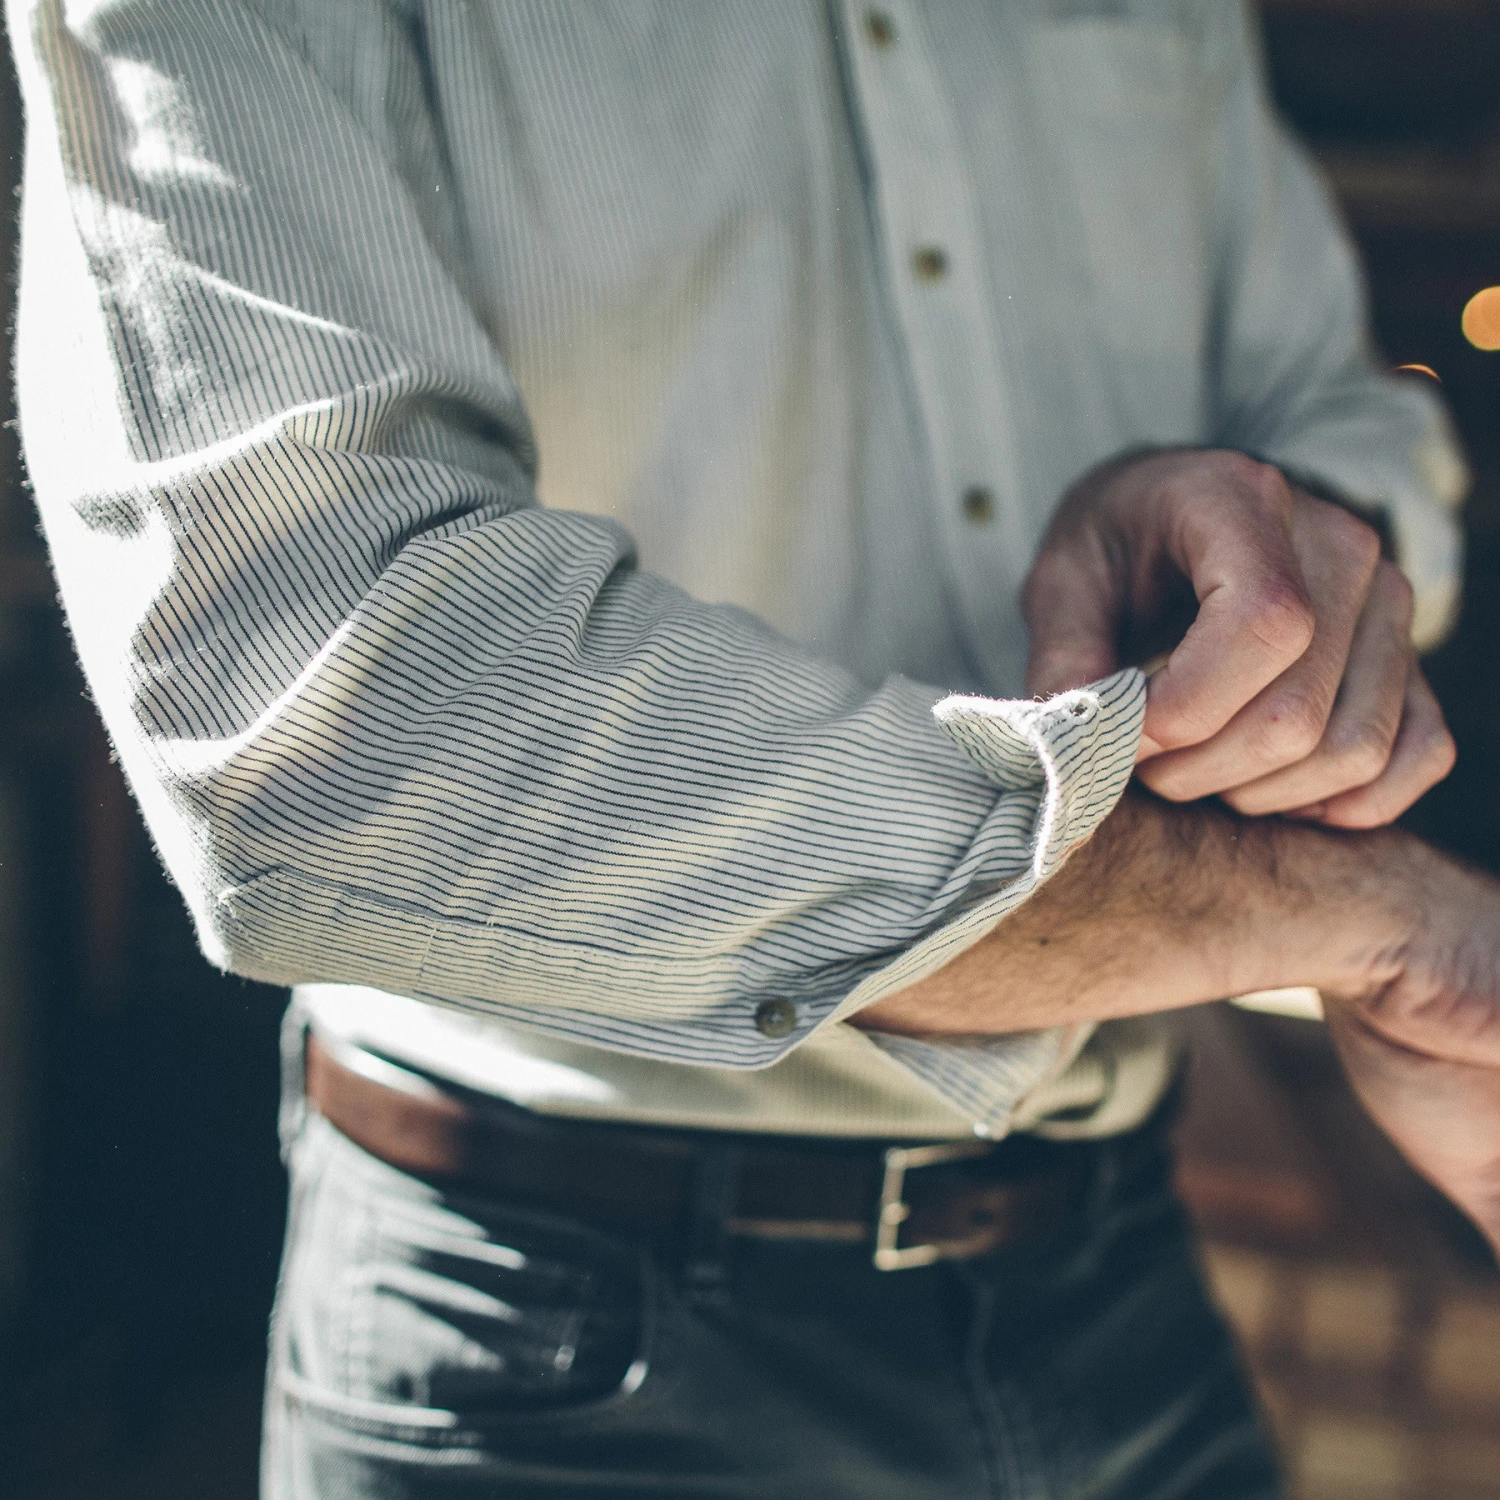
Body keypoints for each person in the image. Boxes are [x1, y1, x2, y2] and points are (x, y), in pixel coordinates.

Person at [10, 1, 1500, 1496]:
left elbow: (1349, 411)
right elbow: (335, 726)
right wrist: (1366, 922)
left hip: (1125, 1273)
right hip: (562, 1352)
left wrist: (1270, 537)